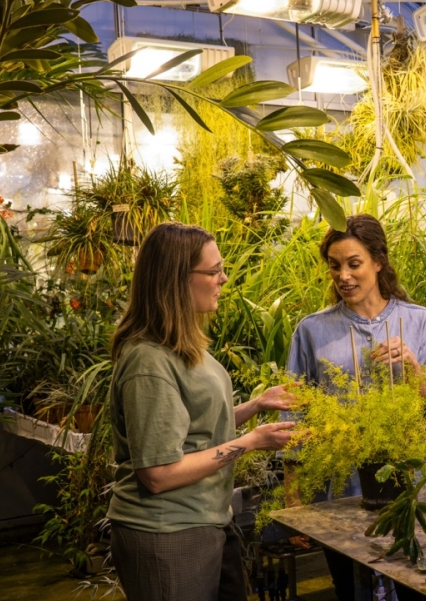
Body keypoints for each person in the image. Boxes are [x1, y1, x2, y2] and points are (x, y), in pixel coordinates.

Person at [107, 222, 299, 601]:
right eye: (213, 272)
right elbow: (158, 474)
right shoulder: (149, 361)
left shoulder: (180, 344)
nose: (223, 279)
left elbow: (193, 424)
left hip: (208, 520)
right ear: (176, 279)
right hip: (168, 532)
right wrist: (251, 442)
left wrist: (256, 406)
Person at [285, 214, 426, 601]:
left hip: (410, 487)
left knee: (420, 585)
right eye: (334, 265)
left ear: (379, 261)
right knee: (350, 588)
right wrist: (294, 501)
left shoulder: (417, 321)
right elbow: (293, 417)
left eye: (354, 263)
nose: (343, 275)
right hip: (342, 489)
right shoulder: (312, 331)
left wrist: (414, 371)